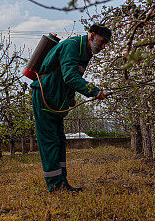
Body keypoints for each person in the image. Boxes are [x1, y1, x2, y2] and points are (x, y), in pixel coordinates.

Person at [31, 24, 111, 192]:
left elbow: (68, 76)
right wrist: (94, 91)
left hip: (57, 99)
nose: (104, 47)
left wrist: (70, 97)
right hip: (46, 96)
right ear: (92, 35)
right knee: (50, 142)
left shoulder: (85, 53)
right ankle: (55, 186)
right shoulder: (72, 46)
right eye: (103, 42)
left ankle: (62, 183)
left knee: (59, 141)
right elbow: (70, 76)